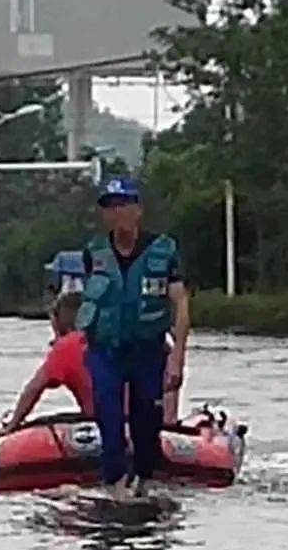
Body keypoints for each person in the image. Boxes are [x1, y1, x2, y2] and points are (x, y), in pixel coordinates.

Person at [77, 176, 190, 500]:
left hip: (148, 350)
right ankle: (114, 485)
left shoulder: (164, 251)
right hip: (106, 350)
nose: (116, 214)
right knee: (109, 417)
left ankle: (143, 478)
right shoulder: (94, 253)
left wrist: (177, 357)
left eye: (123, 205)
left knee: (146, 421)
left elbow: (180, 304)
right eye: (110, 208)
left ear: (138, 209)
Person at [0, 292, 93, 440]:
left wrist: (12, 426)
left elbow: (34, 388)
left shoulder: (66, 347)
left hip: (99, 418)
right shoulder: (112, 339)